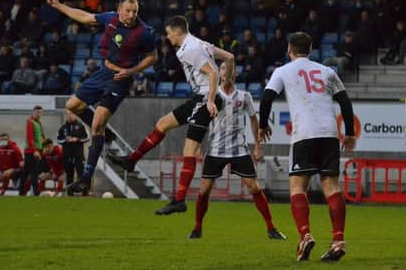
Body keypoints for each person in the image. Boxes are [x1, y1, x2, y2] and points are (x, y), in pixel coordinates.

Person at [108, 16, 234, 215]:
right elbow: (229, 57)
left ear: (177, 31)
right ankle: (131, 160)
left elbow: (212, 73)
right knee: (163, 123)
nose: (167, 37)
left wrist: (212, 98)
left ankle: (179, 200)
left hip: (204, 99)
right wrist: (225, 86)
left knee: (189, 149)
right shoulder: (201, 44)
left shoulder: (190, 48)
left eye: (168, 33)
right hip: (200, 98)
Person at [258, 32, 355, 262]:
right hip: (329, 132)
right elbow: (344, 101)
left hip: (304, 133)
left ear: (289, 49)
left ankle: (305, 235)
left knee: (297, 187)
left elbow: (267, 98)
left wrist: (262, 126)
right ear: (310, 49)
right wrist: (349, 132)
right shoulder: (327, 71)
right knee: (331, 186)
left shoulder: (282, 71)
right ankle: (338, 241)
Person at [47, 0, 157, 196]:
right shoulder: (111, 18)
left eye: (135, 11)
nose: (132, 15)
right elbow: (84, 16)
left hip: (120, 79)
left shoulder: (144, 32)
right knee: (72, 106)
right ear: (119, 8)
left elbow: (153, 56)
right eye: (128, 11)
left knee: (96, 124)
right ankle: (104, 135)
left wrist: (132, 71)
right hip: (103, 72)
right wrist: (59, 6)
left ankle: (85, 179)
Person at [188, 62, 285, 240]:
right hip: (215, 149)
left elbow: (254, 120)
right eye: (223, 68)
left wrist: (257, 145)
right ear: (219, 73)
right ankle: (197, 228)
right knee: (204, 190)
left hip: (239, 149)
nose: (226, 71)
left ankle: (271, 228)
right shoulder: (212, 95)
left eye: (229, 68)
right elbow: (200, 122)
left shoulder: (244, 96)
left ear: (235, 74)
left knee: (254, 187)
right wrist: (196, 147)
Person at [56, 110, 89, 188]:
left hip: (78, 155)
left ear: (76, 115)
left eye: (71, 114)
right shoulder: (63, 127)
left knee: (81, 174)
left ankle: (83, 193)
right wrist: (65, 140)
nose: (69, 116)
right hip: (67, 155)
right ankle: (70, 192)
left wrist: (77, 139)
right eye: (68, 114)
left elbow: (87, 138)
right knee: (69, 175)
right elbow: (58, 139)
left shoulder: (81, 125)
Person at [19, 106, 45, 196]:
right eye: (37, 112)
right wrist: (35, 151)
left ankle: (24, 192)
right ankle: (32, 193)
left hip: (37, 150)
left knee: (30, 172)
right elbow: (30, 138)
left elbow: (41, 137)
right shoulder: (30, 122)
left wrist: (43, 143)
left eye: (40, 112)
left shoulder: (38, 123)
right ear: (33, 112)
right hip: (31, 151)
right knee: (32, 172)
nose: (39, 114)